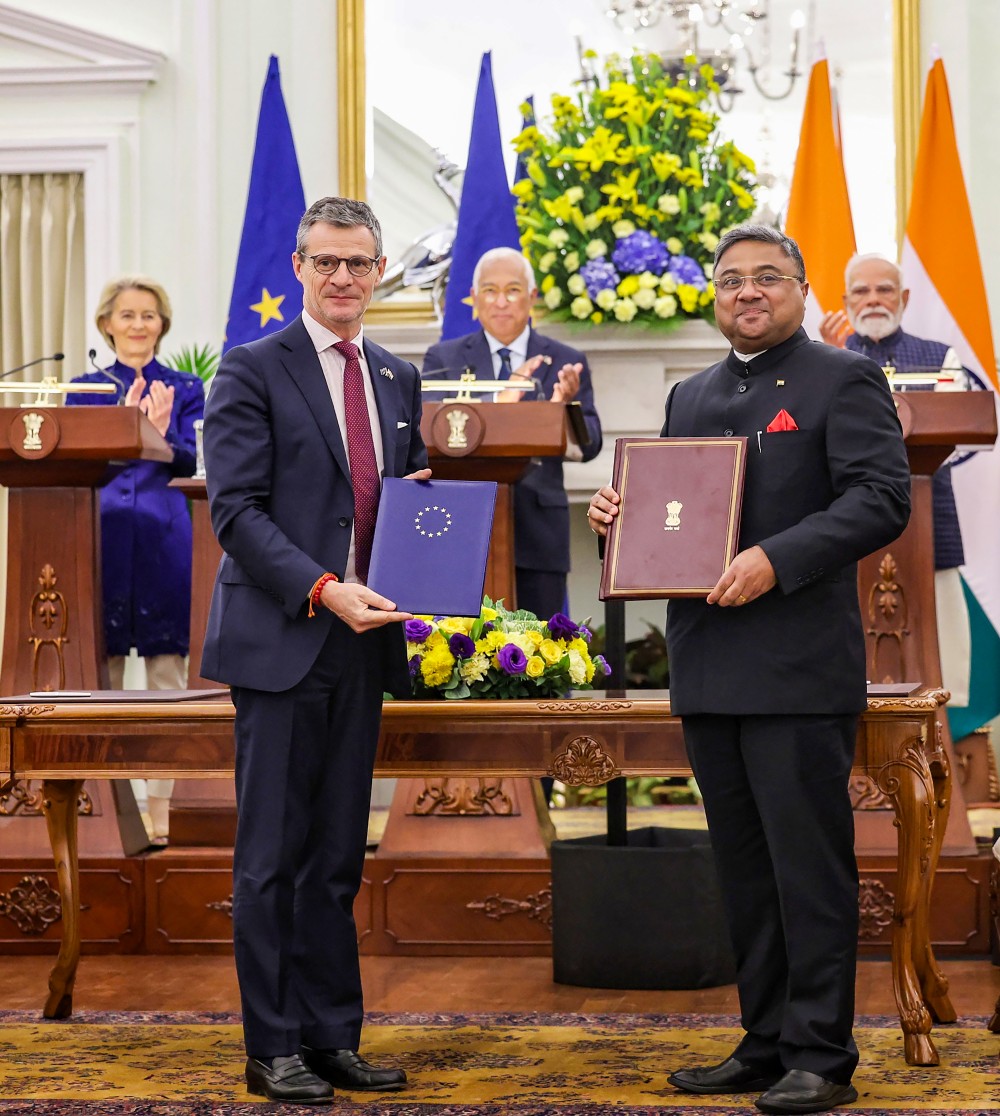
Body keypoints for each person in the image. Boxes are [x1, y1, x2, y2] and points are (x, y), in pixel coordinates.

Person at [589, 224, 910, 1114]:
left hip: (798, 669)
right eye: (731, 280)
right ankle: (764, 1040)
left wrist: (776, 557)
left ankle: (820, 1053)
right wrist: (619, 518)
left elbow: (881, 500)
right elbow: (669, 515)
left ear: (802, 291)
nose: (748, 292)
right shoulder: (688, 395)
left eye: (768, 278)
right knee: (742, 869)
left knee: (807, 869)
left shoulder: (842, 378)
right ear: (714, 297)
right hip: (708, 667)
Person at [201, 196, 430, 1105]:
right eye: (327, 262)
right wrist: (324, 587)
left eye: (360, 263)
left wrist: (416, 531)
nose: (344, 278)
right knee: (271, 856)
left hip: (363, 648)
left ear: (379, 274)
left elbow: (392, 502)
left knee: (338, 855)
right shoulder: (251, 369)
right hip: (285, 637)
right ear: (298, 267)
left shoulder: (398, 375)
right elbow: (236, 513)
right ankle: (273, 1047)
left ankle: (333, 1036)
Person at [67, 276, 205, 847]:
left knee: (165, 672)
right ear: (107, 324)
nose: (138, 325)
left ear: (162, 324)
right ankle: (105, 804)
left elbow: (197, 455)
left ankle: (164, 808)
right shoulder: (86, 389)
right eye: (127, 315)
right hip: (97, 537)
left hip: (163, 538)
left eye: (149, 315)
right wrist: (121, 426)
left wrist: (153, 433)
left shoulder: (186, 386)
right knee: (98, 670)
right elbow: (74, 458)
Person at [819, 253, 970, 705]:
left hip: (927, 517)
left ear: (903, 297)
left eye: (883, 289)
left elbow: (957, 434)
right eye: (861, 291)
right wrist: (833, 353)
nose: (873, 300)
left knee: (937, 646)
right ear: (845, 301)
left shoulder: (938, 356)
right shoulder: (824, 359)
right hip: (847, 520)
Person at [422, 246, 602, 621]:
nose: (501, 301)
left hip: (539, 529)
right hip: (464, 524)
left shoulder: (566, 360)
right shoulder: (444, 358)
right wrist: (503, 401)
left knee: (542, 655)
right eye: (489, 290)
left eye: (513, 290)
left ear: (532, 297)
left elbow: (590, 445)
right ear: (474, 298)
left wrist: (560, 412)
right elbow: (432, 436)